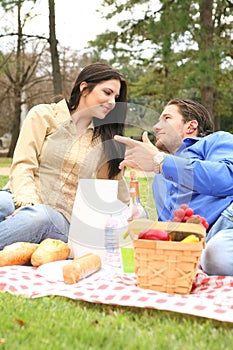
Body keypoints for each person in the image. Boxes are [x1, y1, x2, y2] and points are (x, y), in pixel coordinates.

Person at [0, 62, 130, 250]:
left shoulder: (104, 141)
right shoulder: (44, 115)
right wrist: (28, 205)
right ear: (84, 88)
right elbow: (23, 165)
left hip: (60, 217)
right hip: (20, 197)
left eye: (116, 97)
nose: (112, 102)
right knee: (4, 204)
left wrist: (132, 213)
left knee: (40, 216)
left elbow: (112, 190)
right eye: (107, 93)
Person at [114, 98, 233, 276]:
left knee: (217, 255)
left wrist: (162, 162)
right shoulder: (160, 179)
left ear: (191, 126)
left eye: (167, 118)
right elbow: (170, 229)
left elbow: (226, 178)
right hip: (197, 243)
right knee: (213, 257)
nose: (156, 126)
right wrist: (142, 219)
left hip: (227, 223)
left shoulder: (217, 141)